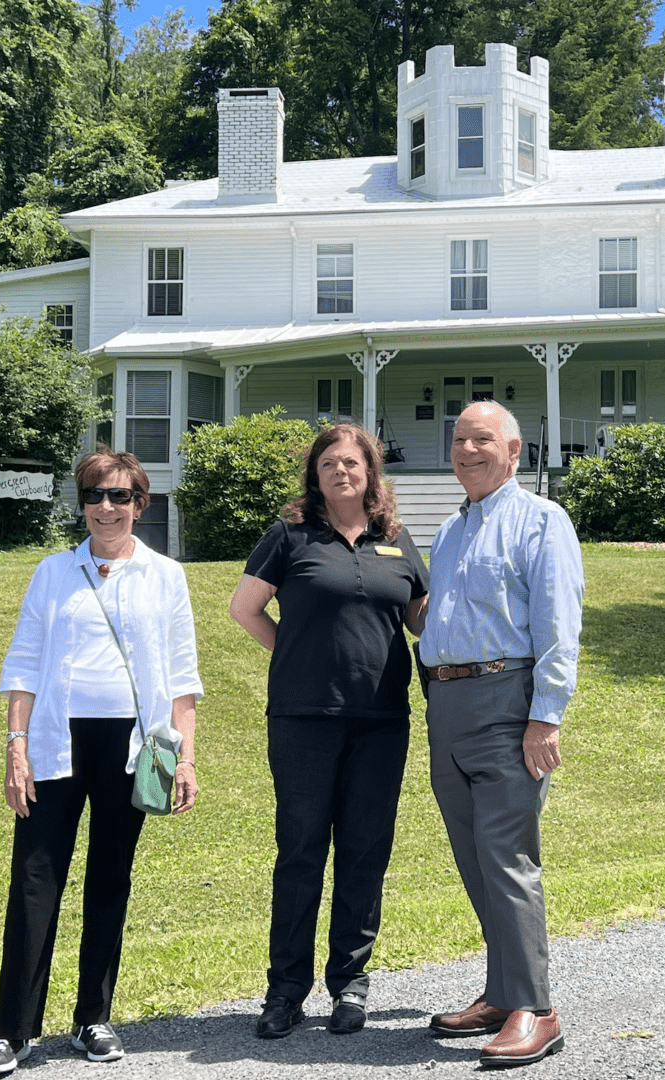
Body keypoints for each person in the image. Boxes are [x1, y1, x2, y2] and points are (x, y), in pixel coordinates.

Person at [0, 448, 203, 1076]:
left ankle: (92, 1018)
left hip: (135, 748)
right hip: (56, 742)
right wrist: (16, 747)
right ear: (82, 504)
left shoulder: (166, 577)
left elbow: (183, 678)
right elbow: (23, 664)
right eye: (96, 496)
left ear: (141, 503)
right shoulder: (54, 572)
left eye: (121, 496)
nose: (108, 508)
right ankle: (12, 1030)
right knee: (34, 879)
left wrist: (183, 758)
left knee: (110, 878)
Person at [230, 423, 429, 1039]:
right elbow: (245, 609)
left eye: (353, 463)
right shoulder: (288, 537)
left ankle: (350, 982)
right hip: (302, 721)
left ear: (371, 472)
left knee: (366, 851)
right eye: (329, 465)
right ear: (315, 477)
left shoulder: (396, 541)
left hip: (380, 722)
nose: (342, 472)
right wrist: (293, 656)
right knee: (300, 852)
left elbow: (423, 620)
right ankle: (286, 990)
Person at [417, 401, 584, 1068]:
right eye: (459, 439)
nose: (467, 449)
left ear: (514, 450)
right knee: (473, 857)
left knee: (507, 856)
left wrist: (546, 715)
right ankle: (501, 991)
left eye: (482, 439)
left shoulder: (543, 521)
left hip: (507, 703)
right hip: (447, 703)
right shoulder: (453, 529)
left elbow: (558, 625)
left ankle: (536, 1010)